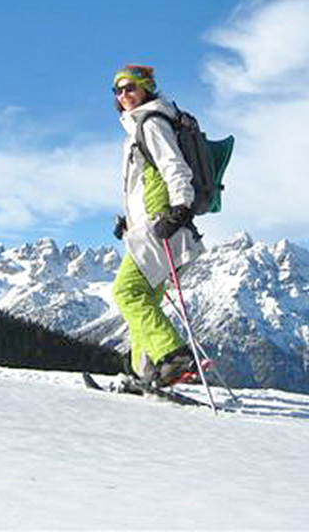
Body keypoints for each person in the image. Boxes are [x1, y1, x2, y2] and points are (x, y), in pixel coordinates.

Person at [110, 64, 205, 388]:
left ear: (146, 89)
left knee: (126, 292)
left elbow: (173, 166)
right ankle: (146, 373)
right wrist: (129, 221)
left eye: (130, 88)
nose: (124, 95)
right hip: (149, 225)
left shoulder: (151, 122)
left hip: (161, 226)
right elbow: (144, 184)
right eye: (118, 90)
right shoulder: (141, 125)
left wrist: (180, 208)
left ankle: (175, 357)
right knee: (145, 300)